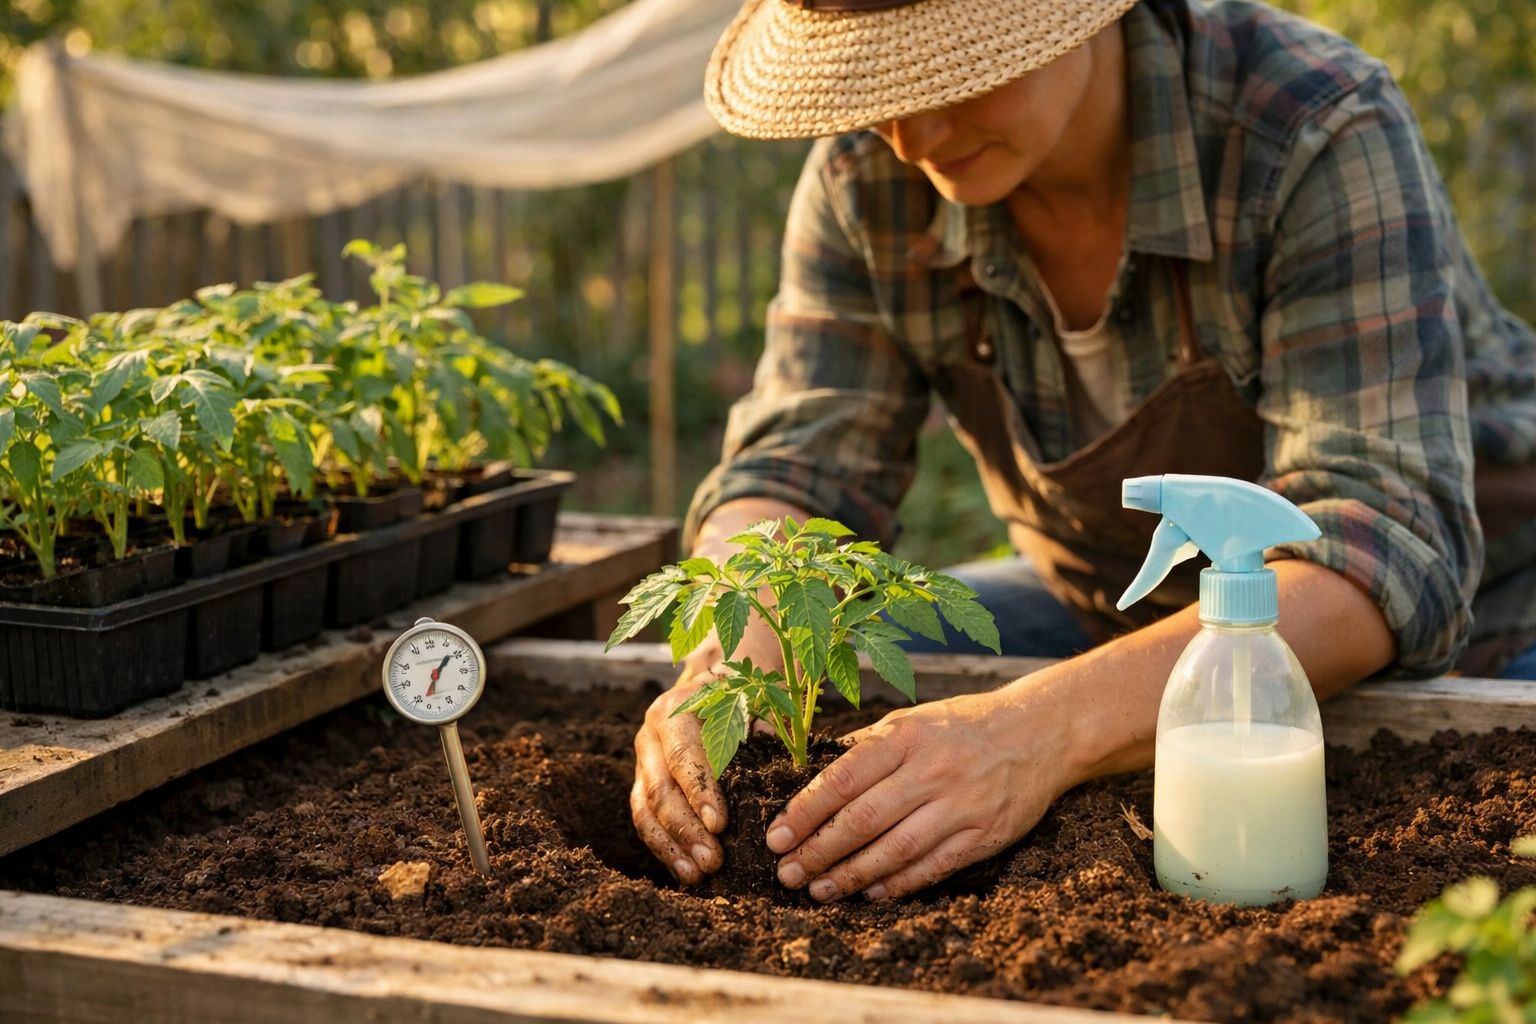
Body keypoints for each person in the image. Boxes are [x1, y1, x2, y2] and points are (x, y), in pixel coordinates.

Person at [630, 0, 1536, 902]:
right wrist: (726, 665)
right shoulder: (864, 178)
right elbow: (794, 465)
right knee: (866, 659)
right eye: (884, 86)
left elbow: (1375, 544)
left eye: (959, 70)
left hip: (1468, 630)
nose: (915, 134)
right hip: (1106, 609)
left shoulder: (1306, 125)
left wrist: (1032, 734)